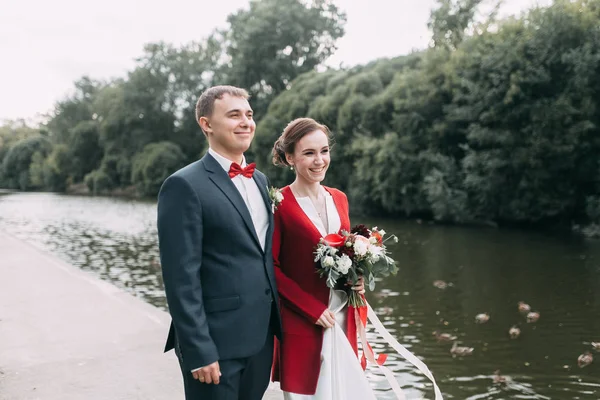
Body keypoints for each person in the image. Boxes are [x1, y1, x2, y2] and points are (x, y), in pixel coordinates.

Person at [157, 85, 282, 400]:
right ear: (206, 124)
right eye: (234, 115)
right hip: (215, 344)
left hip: (260, 338)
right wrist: (199, 349)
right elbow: (180, 277)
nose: (246, 122)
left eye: (249, 115)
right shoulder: (184, 185)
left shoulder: (261, 180)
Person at [270, 118, 377, 399]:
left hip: (343, 317)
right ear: (290, 157)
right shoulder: (279, 204)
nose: (319, 161)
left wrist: (356, 279)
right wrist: (311, 309)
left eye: (324, 151)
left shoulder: (339, 198)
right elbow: (270, 267)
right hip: (303, 323)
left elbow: (345, 253)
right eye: (308, 153)